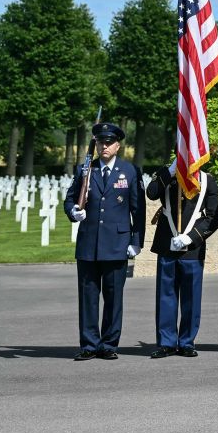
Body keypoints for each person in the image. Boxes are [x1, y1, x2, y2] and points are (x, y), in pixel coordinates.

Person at [64, 122, 145, 362]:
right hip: (89, 244)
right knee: (88, 297)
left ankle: (109, 344)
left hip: (117, 244)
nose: (104, 146)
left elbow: (137, 210)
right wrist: (74, 212)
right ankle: (89, 344)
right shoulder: (85, 169)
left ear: (118, 145)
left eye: (109, 142)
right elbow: (69, 200)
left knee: (113, 298)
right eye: (100, 142)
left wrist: (136, 241)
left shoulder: (130, 171)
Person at [146, 161, 218, 358]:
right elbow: (152, 192)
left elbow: (214, 216)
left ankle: (187, 341)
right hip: (167, 245)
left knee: (191, 298)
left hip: (192, 249)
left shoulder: (207, 180)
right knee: (165, 296)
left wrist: (192, 237)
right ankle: (166, 342)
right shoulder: (166, 175)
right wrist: (169, 171)